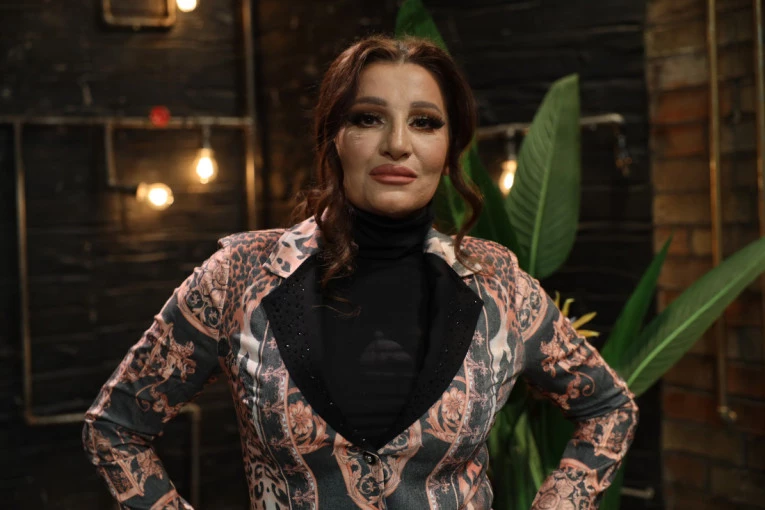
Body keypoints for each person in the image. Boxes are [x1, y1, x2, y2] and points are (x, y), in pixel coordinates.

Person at [83, 35, 638, 509]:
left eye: (425, 122)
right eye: (369, 118)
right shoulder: (239, 276)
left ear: (450, 146)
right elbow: (115, 427)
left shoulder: (497, 283)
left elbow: (608, 408)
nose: (397, 144)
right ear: (336, 136)